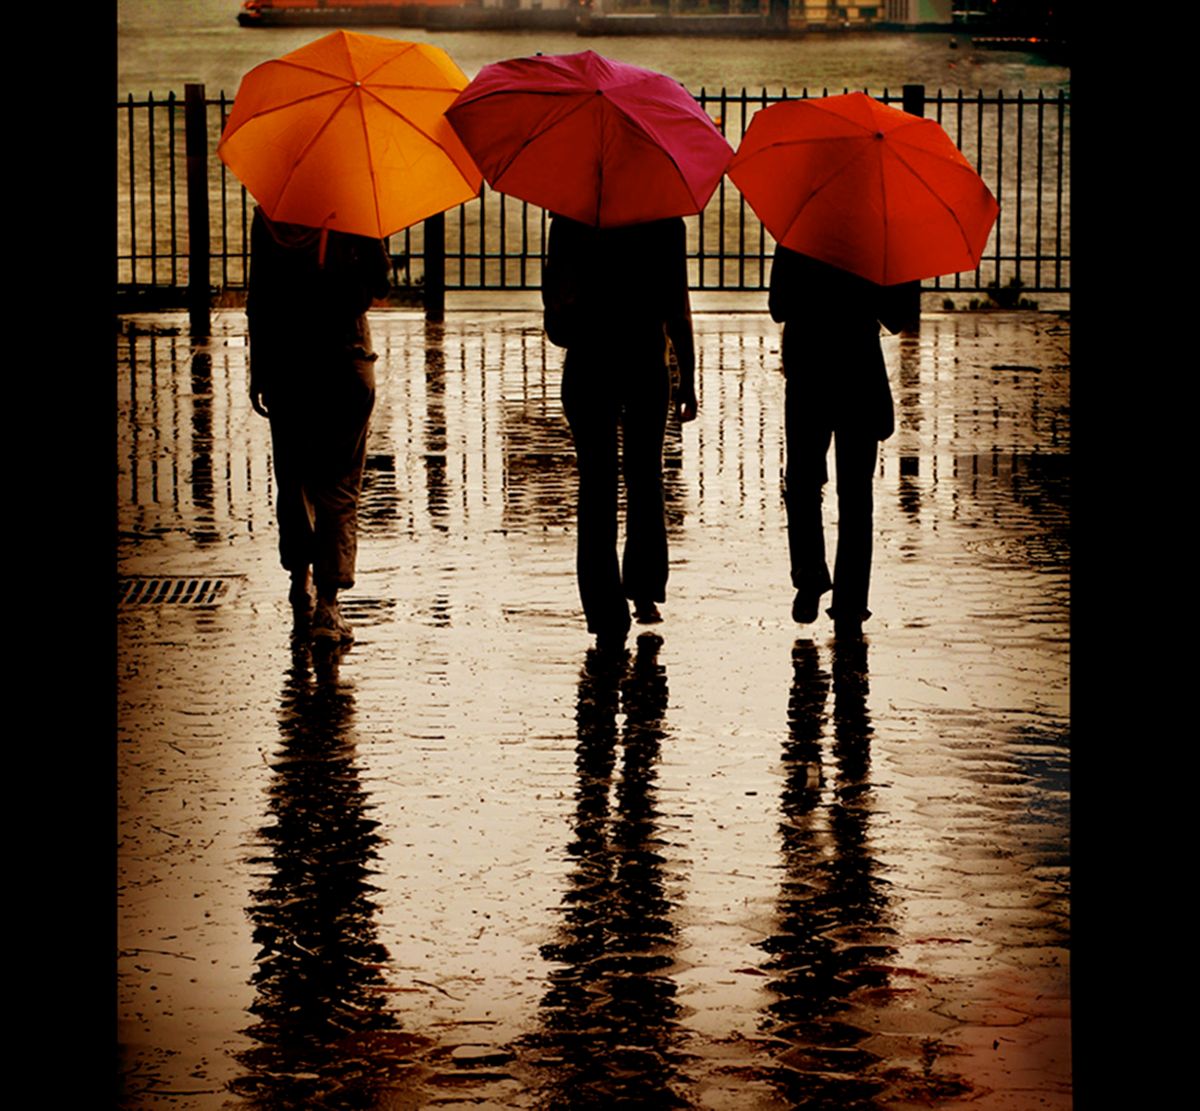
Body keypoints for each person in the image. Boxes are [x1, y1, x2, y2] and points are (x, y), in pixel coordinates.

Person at [543, 214, 698, 653]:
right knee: (645, 477)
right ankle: (645, 589)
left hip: (589, 363)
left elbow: (556, 314)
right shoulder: (665, 220)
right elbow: (676, 304)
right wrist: (687, 374)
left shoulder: (571, 218)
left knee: (597, 484)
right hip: (645, 360)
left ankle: (603, 610)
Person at [246, 207, 391, 643]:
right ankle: (329, 604)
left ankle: (299, 574)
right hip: (345, 363)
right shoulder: (357, 209)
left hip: (288, 366)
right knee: (340, 484)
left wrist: (259, 370)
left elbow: (260, 298)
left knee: (293, 477)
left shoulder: (270, 216)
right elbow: (380, 285)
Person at [768, 246, 915, 635]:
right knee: (855, 495)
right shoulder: (882, 235)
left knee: (801, 481)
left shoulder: (800, 231)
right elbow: (898, 317)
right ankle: (850, 603)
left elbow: (779, 306)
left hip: (808, 370)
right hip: (859, 373)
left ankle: (809, 571)